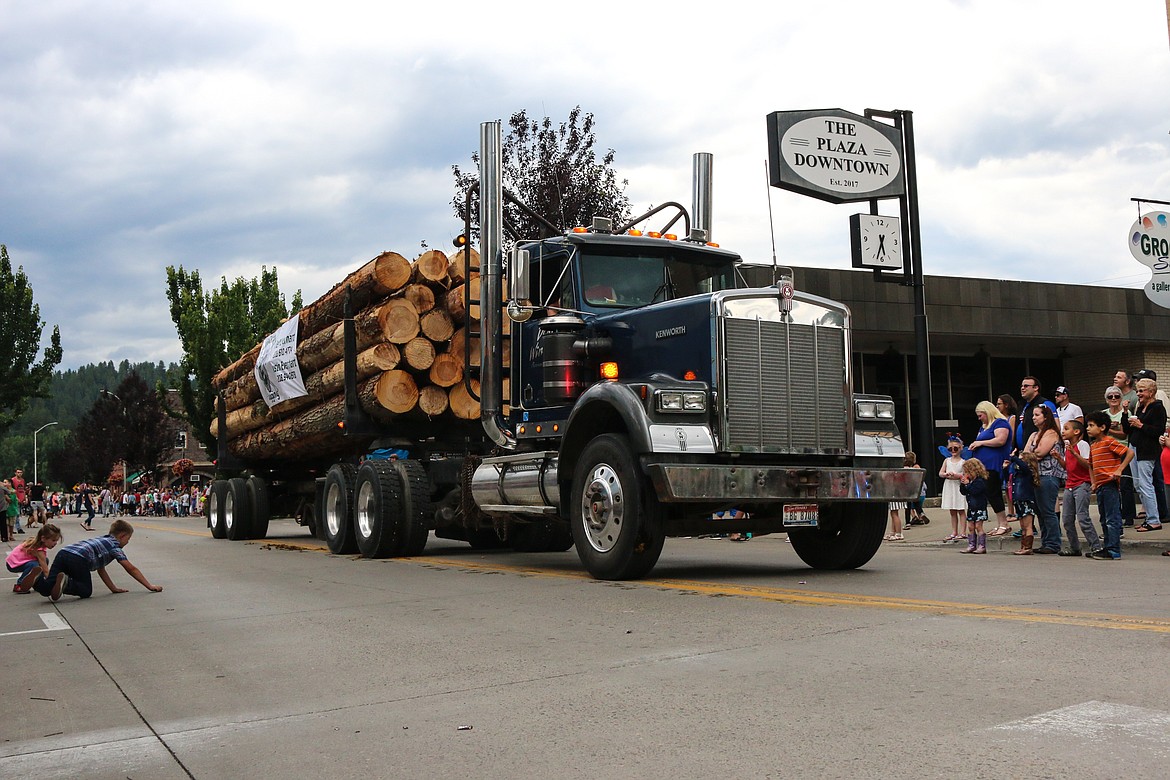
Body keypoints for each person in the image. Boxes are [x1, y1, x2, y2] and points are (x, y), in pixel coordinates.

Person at [33, 518, 163, 601]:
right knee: (85, 590)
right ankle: (66, 583)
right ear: (122, 536)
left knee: (47, 589)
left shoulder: (103, 540)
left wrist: (113, 588)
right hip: (79, 559)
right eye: (128, 539)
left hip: (64, 553)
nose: (127, 542)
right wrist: (149, 586)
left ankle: (37, 579)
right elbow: (130, 568)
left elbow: (101, 569)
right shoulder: (114, 546)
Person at [1085, 411, 1134, 560]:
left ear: (1102, 427)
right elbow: (1090, 465)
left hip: (1110, 484)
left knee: (1112, 518)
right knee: (1103, 518)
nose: (1087, 428)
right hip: (1100, 486)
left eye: (1091, 425)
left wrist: (1119, 469)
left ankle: (1113, 549)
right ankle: (1107, 547)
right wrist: (1093, 482)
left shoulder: (1108, 441)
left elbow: (1129, 452)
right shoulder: (1093, 445)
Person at [1125, 377, 1167, 532]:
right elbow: (1129, 430)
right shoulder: (1140, 407)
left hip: (1147, 451)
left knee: (1146, 484)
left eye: (1141, 390)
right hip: (1135, 448)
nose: (1139, 393)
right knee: (1138, 484)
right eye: (1137, 391)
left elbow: (1157, 430)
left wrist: (1140, 425)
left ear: (1151, 392)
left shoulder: (1157, 408)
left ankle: (1154, 520)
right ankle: (1150, 517)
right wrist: (1126, 415)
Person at [1025, 404, 1065, 554]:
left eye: (1037, 415)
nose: (1034, 418)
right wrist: (1031, 453)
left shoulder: (1052, 433)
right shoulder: (1034, 435)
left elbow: (1040, 452)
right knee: (1040, 511)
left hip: (1049, 475)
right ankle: (1045, 541)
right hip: (1036, 475)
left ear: (1046, 417)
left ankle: (1053, 543)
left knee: (1048, 510)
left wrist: (1032, 453)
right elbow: (1026, 453)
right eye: (1033, 415)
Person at [968, 401, 1013, 536]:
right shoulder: (984, 427)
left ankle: (1003, 523)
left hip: (994, 464)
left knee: (993, 492)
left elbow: (1000, 440)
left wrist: (980, 442)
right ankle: (1001, 523)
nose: (979, 418)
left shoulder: (1000, 423)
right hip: (983, 466)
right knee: (990, 493)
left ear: (987, 412)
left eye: (981, 415)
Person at [1060, 420, 1098, 557]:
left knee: (1083, 517)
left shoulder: (1082, 445)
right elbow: (1067, 466)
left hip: (1082, 484)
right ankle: (1074, 547)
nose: (1063, 431)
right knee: (1067, 519)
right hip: (1069, 485)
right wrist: (1058, 458)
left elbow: (1088, 464)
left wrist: (1074, 453)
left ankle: (1096, 546)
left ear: (1076, 432)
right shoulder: (1068, 446)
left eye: (1066, 428)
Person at [1103, 386, 1138, 526]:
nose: (1113, 399)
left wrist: (1109, 429)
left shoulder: (1126, 412)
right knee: (1109, 485)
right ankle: (1114, 514)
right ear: (1106, 399)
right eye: (1110, 396)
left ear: (1121, 398)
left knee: (1125, 484)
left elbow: (1124, 433)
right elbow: (1097, 432)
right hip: (1107, 451)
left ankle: (1129, 515)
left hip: (1122, 450)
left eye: (1116, 396)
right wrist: (1109, 428)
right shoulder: (1103, 414)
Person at [6, 523, 62, 593]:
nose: (55, 543)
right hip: (13, 564)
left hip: (15, 562)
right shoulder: (39, 550)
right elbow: (45, 570)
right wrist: (51, 583)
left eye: (56, 540)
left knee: (44, 561)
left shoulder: (38, 544)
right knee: (34, 565)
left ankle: (37, 582)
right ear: (43, 539)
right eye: (53, 540)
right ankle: (20, 584)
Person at [1009, 451, 1040, 555]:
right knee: (1022, 526)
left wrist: (1014, 458)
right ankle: (1023, 546)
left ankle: (1028, 547)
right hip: (1019, 501)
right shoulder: (1018, 473)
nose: (1019, 462)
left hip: (1026, 501)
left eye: (1021, 460)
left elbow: (1024, 467)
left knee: (1028, 526)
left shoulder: (1028, 472)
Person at [1015, 377, 1057, 453]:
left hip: (1038, 452)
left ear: (1036, 388)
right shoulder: (1022, 406)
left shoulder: (1045, 404)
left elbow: (1055, 427)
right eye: (1021, 386)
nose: (1022, 388)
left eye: (1026, 386)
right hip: (1023, 452)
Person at [996, 394, 1020, 521]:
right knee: (1004, 484)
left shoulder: (1012, 418)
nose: (997, 406)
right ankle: (1009, 510)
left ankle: (1014, 510)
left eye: (999, 403)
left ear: (1006, 404)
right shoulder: (996, 419)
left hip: (1008, 450)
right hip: (999, 452)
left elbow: (1010, 437)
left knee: (1010, 481)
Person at [939, 436, 967, 541]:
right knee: (952, 510)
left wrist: (958, 476)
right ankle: (954, 531)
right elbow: (940, 473)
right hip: (949, 485)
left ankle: (963, 531)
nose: (953, 451)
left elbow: (965, 474)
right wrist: (946, 474)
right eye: (950, 449)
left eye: (956, 448)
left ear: (961, 448)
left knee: (961, 509)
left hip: (958, 486)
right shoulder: (947, 460)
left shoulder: (963, 462)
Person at [958, 459, 989, 554]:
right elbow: (964, 492)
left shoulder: (980, 481)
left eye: (967, 472)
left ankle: (982, 545)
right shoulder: (970, 482)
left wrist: (967, 484)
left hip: (979, 507)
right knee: (971, 526)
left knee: (978, 526)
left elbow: (975, 491)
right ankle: (971, 544)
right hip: (971, 507)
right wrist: (963, 484)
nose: (966, 474)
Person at [11, 468, 27, 534]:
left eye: (21, 472)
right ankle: (18, 528)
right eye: (18, 472)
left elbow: (23, 489)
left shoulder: (23, 480)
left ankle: (14, 528)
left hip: (21, 498)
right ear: (15, 473)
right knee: (16, 514)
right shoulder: (13, 480)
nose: (19, 474)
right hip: (15, 498)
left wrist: (25, 497)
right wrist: (15, 497)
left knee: (18, 513)